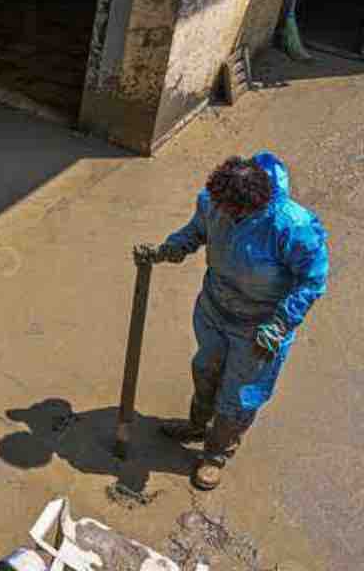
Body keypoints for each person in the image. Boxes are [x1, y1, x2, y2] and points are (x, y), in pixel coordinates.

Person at [138, 153, 328, 491]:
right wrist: (171, 248)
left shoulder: (293, 226)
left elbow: (312, 280)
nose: (221, 215)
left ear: (251, 207)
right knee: (205, 368)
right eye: (219, 207)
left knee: (239, 393)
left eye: (230, 212)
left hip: (260, 326)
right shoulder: (214, 202)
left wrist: (281, 323)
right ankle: (197, 425)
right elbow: (197, 230)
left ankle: (216, 453)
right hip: (215, 308)